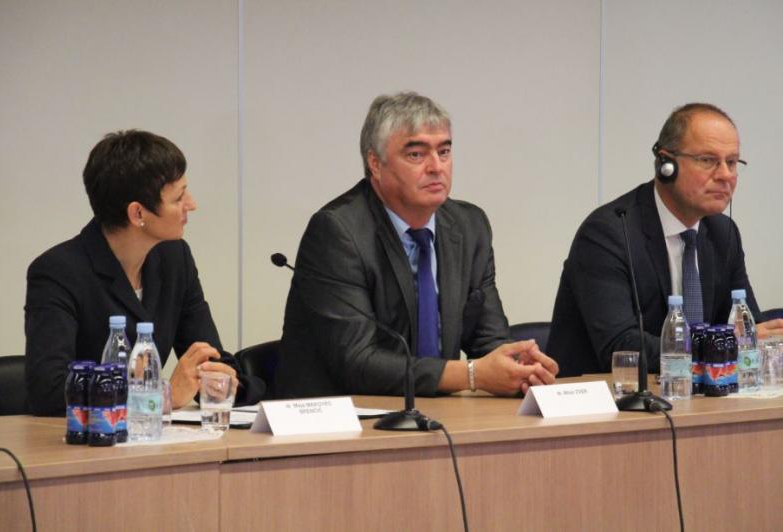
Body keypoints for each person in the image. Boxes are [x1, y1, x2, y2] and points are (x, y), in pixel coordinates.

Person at [275, 91, 558, 398]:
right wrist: (471, 374)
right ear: (375, 164)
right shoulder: (338, 232)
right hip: (342, 415)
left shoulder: (468, 226)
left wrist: (520, 368)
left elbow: (488, 338)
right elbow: (357, 362)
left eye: (444, 151)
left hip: (435, 413)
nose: (436, 167)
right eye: (416, 155)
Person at [24, 130, 264, 415]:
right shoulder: (57, 272)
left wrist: (222, 381)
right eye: (178, 197)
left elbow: (207, 355)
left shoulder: (175, 258)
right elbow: (49, 391)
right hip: (82, 437)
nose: (192, 204)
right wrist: (161, 396)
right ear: (138, 213)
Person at [546, 103, 783, 376]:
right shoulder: (609, 233)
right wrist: (723, 346)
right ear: (666, 165)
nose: (725, 175)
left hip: (692, 394)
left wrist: (757, 341)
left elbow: (748, 327)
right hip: (606, 395)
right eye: (708, 160)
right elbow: (620, 347)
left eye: (731, 162)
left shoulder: (722, 233)